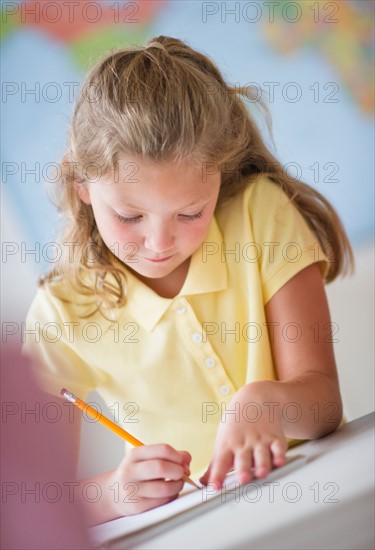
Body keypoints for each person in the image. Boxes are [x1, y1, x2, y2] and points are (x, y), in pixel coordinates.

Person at [24, 36, 353, 524]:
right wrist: (114, 494)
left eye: (191, 212)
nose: (159, 243)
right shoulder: (62, 310)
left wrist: (269, 403)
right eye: (130, 215)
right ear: (82, 185)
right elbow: (28, 501)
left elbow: (324, 406)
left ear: (219, 175)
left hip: (327, 503)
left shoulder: (259, 215)